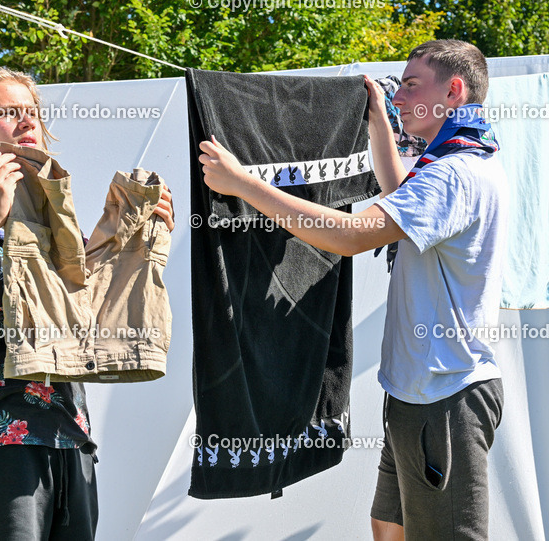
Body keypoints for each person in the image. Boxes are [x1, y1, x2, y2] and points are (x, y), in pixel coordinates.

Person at [198, 40, 507, 541]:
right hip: (415, 394)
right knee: (388, 527)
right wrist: (379, 127)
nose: (399, 95)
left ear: (453, 91)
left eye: (411, 85)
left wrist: (243, 184)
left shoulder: (453, 175)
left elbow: (351, 236)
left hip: (445, 398)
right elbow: (397, 191)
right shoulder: (455, 160)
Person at [0, 67, 175, 540]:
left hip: (72, 441)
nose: (27, 122)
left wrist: (135, 242)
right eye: (8, 113)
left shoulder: (55, 228)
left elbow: (93, 331)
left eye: (32, 113)